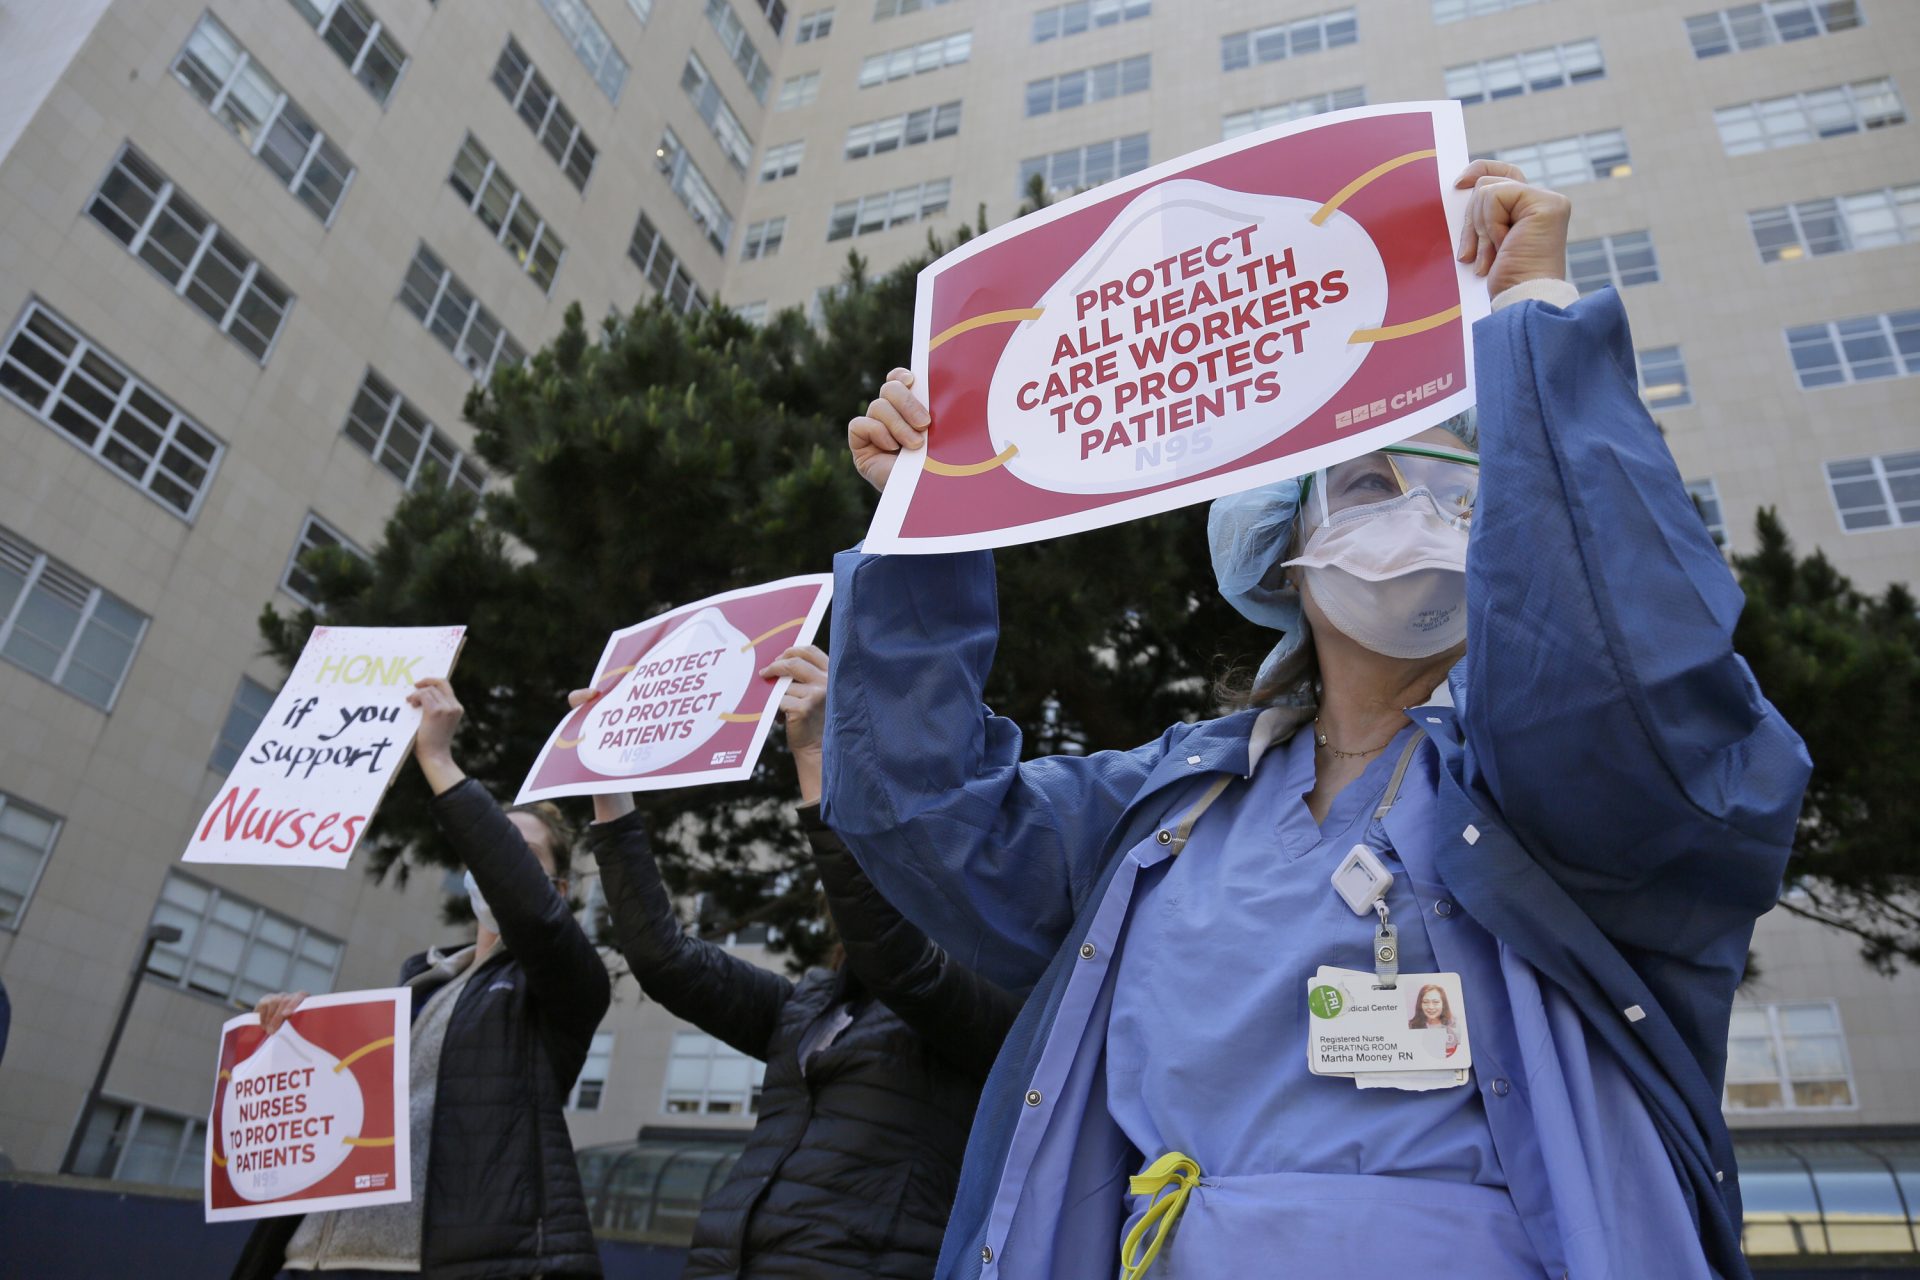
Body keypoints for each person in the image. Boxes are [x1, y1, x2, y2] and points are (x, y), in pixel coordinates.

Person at [822, 160, 1811, 1280]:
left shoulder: (1565, 796)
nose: (1428, 519)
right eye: (1378, 489)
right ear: (1282, 544)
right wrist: (926, 523)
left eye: (1467, 488)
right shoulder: (1173, 809)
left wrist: (1535, 313)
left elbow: (1621, 681)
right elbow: (918, 806)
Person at [588, 644, 1019, 1279]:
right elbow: (665, 960)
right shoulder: (812, 1004)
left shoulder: (994, 1003)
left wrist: (816, 757)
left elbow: (897, 963)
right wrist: (609, 793)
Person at [233, 677, 611, 1280]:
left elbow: (533, 916)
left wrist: (436, 758)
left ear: (559, 891)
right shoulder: (417, 990)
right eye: (491, 848)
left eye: (521, 854)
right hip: (310, 1260)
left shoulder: (564, 987)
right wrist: (297, 1041)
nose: (495, 862)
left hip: (417, 1267)